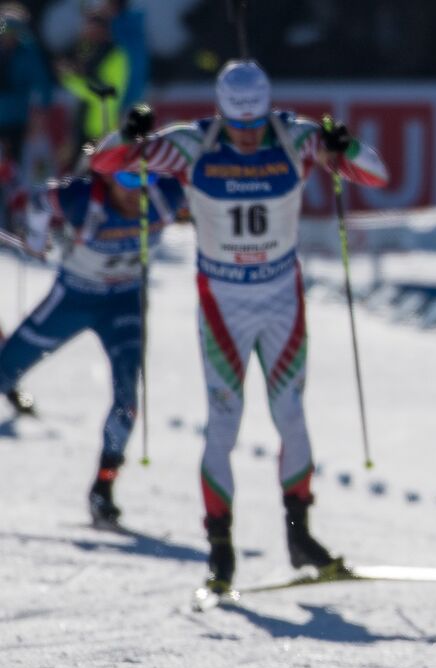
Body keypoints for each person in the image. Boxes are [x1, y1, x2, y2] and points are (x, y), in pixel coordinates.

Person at [91, 61, 388, 596]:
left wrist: (344, 146)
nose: (249, 139)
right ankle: (220, 551)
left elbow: (375, 174)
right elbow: (110, 163)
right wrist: (129, 134)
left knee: (291, 417)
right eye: (238, 127)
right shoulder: (191, 145)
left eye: (254, 127)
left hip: (280, 300)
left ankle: (301, 537)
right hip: (223, 304)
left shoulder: (293, 136)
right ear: (222, 112)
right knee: (223, 424)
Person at [0, 157, 184, 522]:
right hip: (73, 299)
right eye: (126, 181)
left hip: (123, 304)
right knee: (5, 369)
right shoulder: (81, 199)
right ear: (107, 177)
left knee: (127, 400)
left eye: (143, 179)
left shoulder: (165, 195)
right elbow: (39, 201)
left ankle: (103, 487)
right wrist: (37, 236)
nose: (137, 192)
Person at [55, 3, 128, 161]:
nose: (86, 33)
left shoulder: (115, 55)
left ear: (102, 30)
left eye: (91, 28)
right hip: (82, 126)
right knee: (80, 175)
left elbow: (104, 93)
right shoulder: (88, 50)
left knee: (96, 174)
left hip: (101, 130)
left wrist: (70, 79)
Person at [0, 2, 53, 207]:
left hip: (17, 119)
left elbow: (42, 86)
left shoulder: (28, 53)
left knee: (18, 170)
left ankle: (18, 215)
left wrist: (38, 115)